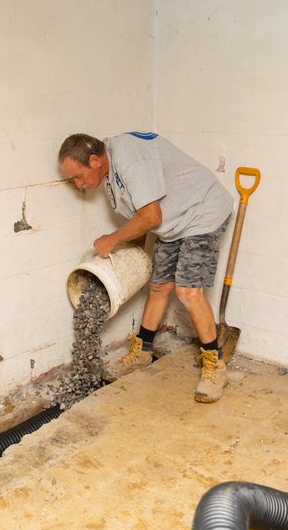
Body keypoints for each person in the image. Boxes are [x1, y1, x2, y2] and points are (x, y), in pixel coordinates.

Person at [58, 132, 234, 402]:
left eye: (78, 177)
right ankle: (142, 352)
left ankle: (215, 365)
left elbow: (151, 216)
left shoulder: (130, 158)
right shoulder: (109, 170)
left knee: (188, 291)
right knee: (159, 286)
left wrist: (112, 240)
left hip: (202, 212)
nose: (78, 184)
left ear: (94, 160)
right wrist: (132, 251)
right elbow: (141, 215)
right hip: (174, 222)